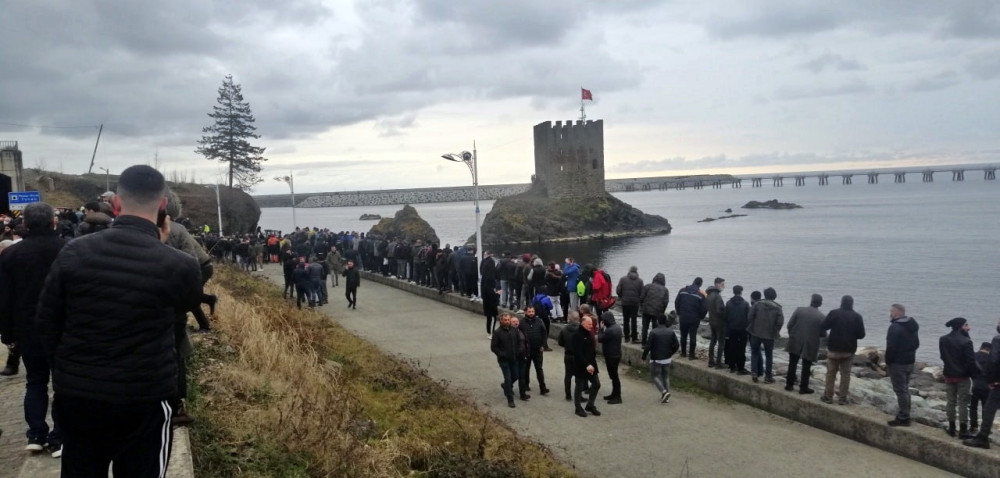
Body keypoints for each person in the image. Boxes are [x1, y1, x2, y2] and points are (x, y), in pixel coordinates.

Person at [36, 164, 202, 476]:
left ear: (116, 204)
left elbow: (47, 322)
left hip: (80, 393)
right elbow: (185, 306)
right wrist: (161, 246)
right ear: (164, 205)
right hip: (147, 395)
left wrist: (67, 369)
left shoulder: (74, 252)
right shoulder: (181, 265)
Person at [0, 203, 67, 455]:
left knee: (35, 382)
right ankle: (60, 436)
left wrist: (7, 335)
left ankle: (36, 434)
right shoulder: (67, 249)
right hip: (63, 330)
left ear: (25, 224)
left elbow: (4, 299)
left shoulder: (11, 255)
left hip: (28, 331)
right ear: (53, 222)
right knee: (61, 384)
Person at [820, 295, 866, 405]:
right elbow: (861, 335)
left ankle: (828, 396)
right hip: (848, 350)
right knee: (845, 375)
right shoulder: (857, 317)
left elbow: (824, 326)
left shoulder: (834, 313)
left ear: (841, 302)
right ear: (852, 304)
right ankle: (842, 398)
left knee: (831, 373)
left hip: (833, 349)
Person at [964, 319, 1000, 449]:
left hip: (997, 383)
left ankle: (982, 437)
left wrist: (991, 380)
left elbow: (994, 361)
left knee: (989, 409)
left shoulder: (997, 339)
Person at [940, 317, 977, 438]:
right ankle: (963, 429)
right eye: (966, 325)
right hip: (963, 376)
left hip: (949, 374)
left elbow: (943, 357)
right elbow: (971, 361)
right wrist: (975, 376)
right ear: (960, 326)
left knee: (950, 401)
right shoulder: (966, 341)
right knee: (963, 403)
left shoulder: (943, 339)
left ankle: (951, 427)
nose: (969, 327)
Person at [885, 303, 919, 426]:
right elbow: (916, 344)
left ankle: (903, 417)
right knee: (905, 388)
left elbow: (891, 347)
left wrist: (888, 361)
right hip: (909, 361)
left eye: (892, 311)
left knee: (900, 390)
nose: (890, 313)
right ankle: (906, 414)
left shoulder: (895, 327)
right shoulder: (912, 326)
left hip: (898, 363)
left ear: (898, 313)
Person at [784, 294, 824, 394]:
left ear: (811, 301)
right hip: (810, 343)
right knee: (806, 366)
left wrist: (791, 335)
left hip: (795, 339)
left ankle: (789, 384)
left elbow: (789, 325)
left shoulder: (799, 310)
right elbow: (823, 333)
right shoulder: (821, 316)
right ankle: (803, 387)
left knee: (792, 363)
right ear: (820, 304)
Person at [747, 287, 783, 384]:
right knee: (769, 355)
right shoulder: (778, 308)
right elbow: (780, 323)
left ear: (765, 295)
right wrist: (775, 331)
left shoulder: (757, 304)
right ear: (774, 296)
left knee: (754, 352)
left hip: (755, 332)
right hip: (769, 335)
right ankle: (768, 376)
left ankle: (754, 372)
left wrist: (753, 326)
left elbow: (750, 317)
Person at [642, 315, 680, 403]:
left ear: (658, 321)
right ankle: (667, 395)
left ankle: (664, 391)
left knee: (655, 376)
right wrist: (671, 353)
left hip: (656, 358)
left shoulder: (653, 332)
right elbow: (677, 345)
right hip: (667, 358)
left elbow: (648, 346)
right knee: (666, 376)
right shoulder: (671, 332)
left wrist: (644, 356)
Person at [572, 314, 601, 417]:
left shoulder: (589, 333)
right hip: (581, 365)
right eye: (589, 324)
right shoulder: (577, 335)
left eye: (592, 324)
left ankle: (590, 405)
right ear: (582, 323)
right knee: (579, 387)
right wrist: (587, 365)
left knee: (596, 384)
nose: (591, 326)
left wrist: (592, 364)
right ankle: (578, 408)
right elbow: (578, 353)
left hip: (591, 364)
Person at [490, 313, 522, 408]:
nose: (507, 321)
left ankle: (506, 385)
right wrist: (502, 354)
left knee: (516, 376)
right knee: (508, 378)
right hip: (504, 360)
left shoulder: (514, 330)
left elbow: (519, 342)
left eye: (508, 320)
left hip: (514, 358)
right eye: (505, 320)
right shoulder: (497, 332)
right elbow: (494, 347)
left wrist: (519, 350)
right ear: (501, 321)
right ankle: (510, 398)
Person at [518, 306, 549, 396]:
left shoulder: (539, 321)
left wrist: (543, 345)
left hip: (538, 349)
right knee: (526, 368)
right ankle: (526, 385)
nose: (531, 313)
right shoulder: (522, 322)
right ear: (525, 312)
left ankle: (543, 388)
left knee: (539, 368)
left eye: (532, 311)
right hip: (526, 350)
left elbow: (544, 333)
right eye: (529, 311)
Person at [674, 277, 706, 359]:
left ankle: (683, 353)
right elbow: (704, 308)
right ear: (700, 284)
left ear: (693, 281)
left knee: (683, 335)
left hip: (683, 316)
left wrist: (679, 312)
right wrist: (701, 317)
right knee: (693, 336)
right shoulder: (701, 295)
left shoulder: (682, 290)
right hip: (694, 318)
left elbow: (677, 302)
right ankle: (691, 355)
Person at [724, 285, 751, 374]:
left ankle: (732, 366)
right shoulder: (745, 304)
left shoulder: (728, 303)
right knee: (741, 349)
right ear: (741, 292)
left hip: (732, 328)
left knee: (732, 347)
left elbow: (726, 317)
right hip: (743, 329)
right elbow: (749, 317)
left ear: (733, 292)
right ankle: (740, 368)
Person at [598, 311, 623, 404]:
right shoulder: (617, 328)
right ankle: (614, 394)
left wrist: (601, 329)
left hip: (611, 355)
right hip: (616, 354)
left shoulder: (610, 330)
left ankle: (617, 396)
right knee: (614, 376)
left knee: (614, 376)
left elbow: (600, 338)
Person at [638, 273, 669, 346]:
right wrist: (662, 311)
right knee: (655, 328)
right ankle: (653, 343)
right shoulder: (665, 290)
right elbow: (665, 302)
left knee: (645, 327)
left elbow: (641, 298)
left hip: (646, 310)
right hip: (657, 312)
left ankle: (644, 343)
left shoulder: (647, 286)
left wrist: (642, 307)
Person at [616, 266, 644, 344]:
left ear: (629, 271)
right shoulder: (640, 281)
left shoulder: (623, 279)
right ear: (636, 271)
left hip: (625, 302)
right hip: (635, 303)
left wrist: (622, 296)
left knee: (626, 320)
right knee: (634, 320)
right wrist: (638, 299)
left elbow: (618, 290)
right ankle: (634, 338)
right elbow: (642, 293)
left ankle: (627, 337)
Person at [970, 341, 992, 436]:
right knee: (985, 408)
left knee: (973, 407)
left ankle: (973, 426)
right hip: (987, 387)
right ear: (990, 350)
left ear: (981, 347)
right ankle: (984, 428)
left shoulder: (974, 355)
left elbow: (970, 368)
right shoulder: (991, 359)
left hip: (975, 384)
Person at [558, 311, 581, 401]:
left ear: (570, 319)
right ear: (578, 318)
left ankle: (568, 395)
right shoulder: (581, 329)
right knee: (579, 376)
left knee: (568, 375)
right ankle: (578, 395)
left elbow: (560, 342)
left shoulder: (564, 329)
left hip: (568, 354)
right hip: (578, 355)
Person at [705, 277, 726, 368]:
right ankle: (718, 363)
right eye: (722, 284)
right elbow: (719, 310)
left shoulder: (709, 295)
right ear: (717, 284)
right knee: (721, 342)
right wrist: (725, 314)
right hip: (719, 322)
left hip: (711, 320)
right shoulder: (717, 296)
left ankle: (711, 361)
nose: (723, 286)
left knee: (713, 341)